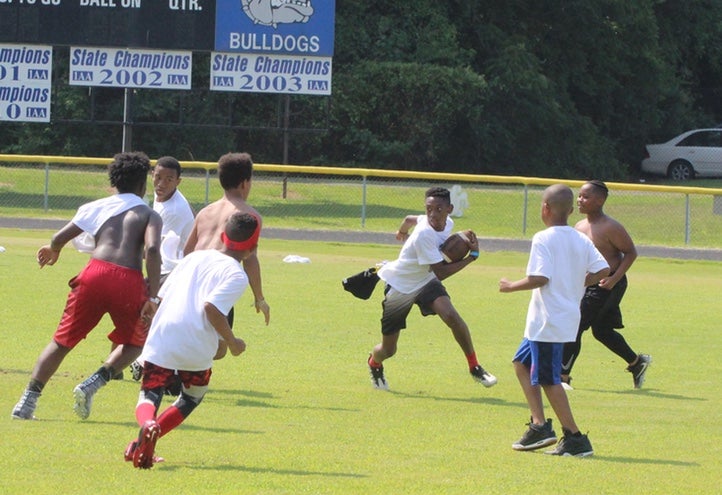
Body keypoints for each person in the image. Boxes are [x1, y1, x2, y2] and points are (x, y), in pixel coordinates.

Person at [11, 151, 162, 421]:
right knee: (137, 342)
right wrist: (154, 297)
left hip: (94, 273)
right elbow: (151, 249)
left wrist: (53, 249)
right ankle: (93, 382)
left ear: (114, 182)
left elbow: (59, 237)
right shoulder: (148, 213)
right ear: (143, 185)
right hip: (128, 278)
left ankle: (27, 403)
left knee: (62, 341)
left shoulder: (97, 206)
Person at [124, 212, 258, 469]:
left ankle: (147, 426)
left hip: (164, 334)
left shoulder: (194, 257)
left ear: (222, 237)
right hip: (195, 344)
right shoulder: (237, 275)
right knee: (192, 396)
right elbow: (212, 309)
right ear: (253, 248)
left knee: (149, 394)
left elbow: (162, 295)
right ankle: (146, 440)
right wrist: (231, 342)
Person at [499, 184, 609, 457]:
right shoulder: (581, 239)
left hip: (550, 319)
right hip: (556, 317)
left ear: (544, 208)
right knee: (521, 363)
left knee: (549, 379)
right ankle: (539, 426)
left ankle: (575, 438)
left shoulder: (543, 238)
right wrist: (577, 283)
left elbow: (540, 278)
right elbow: (604, 269)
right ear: (571, 210)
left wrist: (510, 286)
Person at [367, 186, 497, 391]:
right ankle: (374, 362)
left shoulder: (448, 224)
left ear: (449, 209)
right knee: (389, 349)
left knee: (452, 317)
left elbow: (411, 219)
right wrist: (472, 258)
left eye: (438, 209)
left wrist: (402, 230)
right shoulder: (424, 235)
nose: (432, 214)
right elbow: (441, 272)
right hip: (401, 286)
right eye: (428, 209)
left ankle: (474, 367)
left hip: (425, 281)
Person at [561, 180, 651, 390]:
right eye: (579, 196)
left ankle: (562, 377)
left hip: (608, 283)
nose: (580, 200)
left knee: (576, 325)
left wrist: (614, 279)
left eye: (585, 196)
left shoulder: (611, 226)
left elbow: (630, 253)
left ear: (600, 200)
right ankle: (637, 363)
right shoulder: (579, 226)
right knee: (601, 331)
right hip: (589, 283)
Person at [184, 152, 270, 349]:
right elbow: (249, 259)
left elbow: (187, 251)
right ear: (245, 183)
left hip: (193, 279)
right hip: (218, 282)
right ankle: (151, 363)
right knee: (218, 348)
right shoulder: (249, 216)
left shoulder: (206, 211)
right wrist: (259, 298)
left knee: (211, 344)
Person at [126, 155, 195, 383]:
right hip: (164, 266)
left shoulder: (174, 210)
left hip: (173, 271)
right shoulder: (157, 198)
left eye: (168, 179)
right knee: (143, 315)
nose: (161, 184)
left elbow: (154, 249)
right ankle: (141, 362)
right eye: (157, 177)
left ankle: (144, 363)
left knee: (151, 317)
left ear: (178, 182)